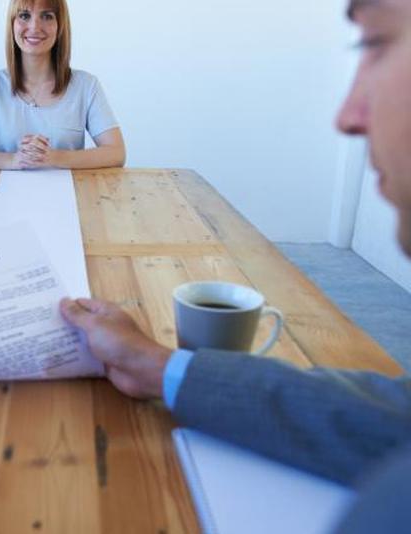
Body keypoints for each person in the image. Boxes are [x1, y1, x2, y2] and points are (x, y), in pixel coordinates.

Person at [58, 0, 411, 530]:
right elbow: (394, 419)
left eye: (376, 43)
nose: (347, 116)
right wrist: (157, 365)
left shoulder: (83, 84)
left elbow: (114, 152)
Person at [0, 0, 126, 170]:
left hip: (67, 189)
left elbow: (116, 153)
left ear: (60, 26)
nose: (34, 27)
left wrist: (53, 157)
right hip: (6, 189)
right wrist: (13, 160)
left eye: (47, 16)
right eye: (24, 16)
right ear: (12, 24)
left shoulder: (86, 86)